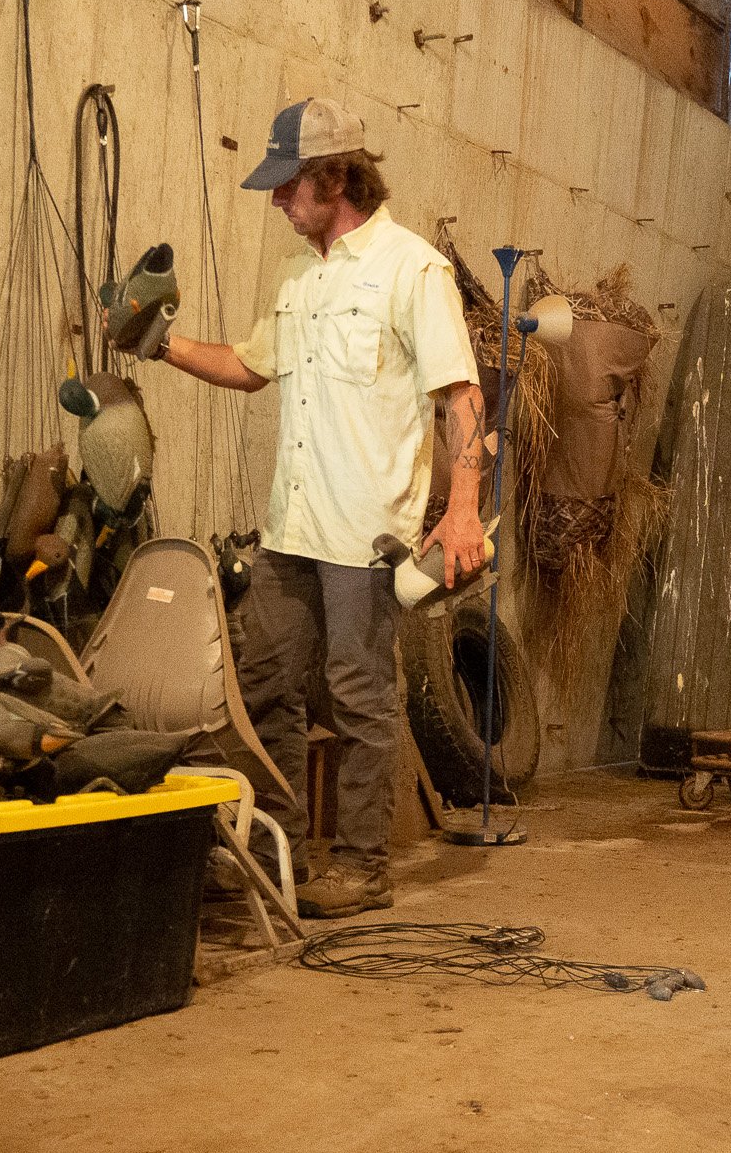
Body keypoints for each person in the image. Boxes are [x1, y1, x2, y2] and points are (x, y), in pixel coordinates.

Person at [158, 97, 488, 919]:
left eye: (286, 185)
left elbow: (461, 393)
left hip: (366, 534)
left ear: (334, 178)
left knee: (359, 694)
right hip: (293, 528)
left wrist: (462, 512)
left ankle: (361, 863)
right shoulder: (299, 279)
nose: (275, 200)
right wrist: (156, 343)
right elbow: (249, 365)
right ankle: (275, 849)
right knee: (267, 681)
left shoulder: (412, 271)